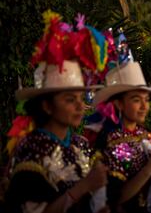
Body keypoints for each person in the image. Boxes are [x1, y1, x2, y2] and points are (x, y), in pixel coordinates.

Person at [4, 11, 109, 213]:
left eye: (81, 98)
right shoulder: (31, 151)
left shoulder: (81, 145)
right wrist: (84, 187)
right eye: (70, 100)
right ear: (47, 106)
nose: (80, 106)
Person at [91, 61, 151, 213]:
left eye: (147, 99)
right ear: (119, 104)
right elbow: (113, 198)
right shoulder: (109, 142)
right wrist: (148, 170)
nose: (144, 106)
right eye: (136, 100)